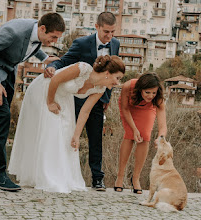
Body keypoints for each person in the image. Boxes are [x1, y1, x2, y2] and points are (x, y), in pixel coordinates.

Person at [0, 13, 65, 192]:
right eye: (53, 37)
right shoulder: (14, 32)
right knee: (3, 117)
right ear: (42, 28)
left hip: (7, 71)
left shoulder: (36, 32)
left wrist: (45, 59)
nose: (53, 41)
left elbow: (31, 45)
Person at [8, 55, 125, 193]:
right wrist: (50, 102)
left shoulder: (100, 89)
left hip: (64, 99)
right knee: (50, 132)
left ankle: (56, 175)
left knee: (65, 137)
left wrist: (76, 135)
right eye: (117, 78)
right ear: (107, 73)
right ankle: (45, 177)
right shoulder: (83, 68)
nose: (118, 83)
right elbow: (55, 79)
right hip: (45, 90)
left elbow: (85, 111)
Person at [45, 12, 119, 191]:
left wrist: (106, 98)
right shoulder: (81, 43)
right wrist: (50, 67)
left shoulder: (115, 44)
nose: (109, 36)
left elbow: (111, 72)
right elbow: (65, 62)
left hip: (97, 96)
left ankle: (97, 178)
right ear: (97, 27)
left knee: (96, 138)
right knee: (70, 134)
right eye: (106, 32)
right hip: (74, 97)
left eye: (112, 32)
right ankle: (65, 174)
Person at [114, 73, 167, 194]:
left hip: (147, 109)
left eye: (153, 93)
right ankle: (120, 177)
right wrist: (134, 129)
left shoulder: (157, 97)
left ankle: (136, 178)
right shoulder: (129, 86)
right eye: (147, 92)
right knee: (129, 135)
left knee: (145, 136)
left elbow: (163, 125)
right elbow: (125, 109)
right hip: (129, 107)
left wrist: (161, 137)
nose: (151, 96)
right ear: (141, 89)